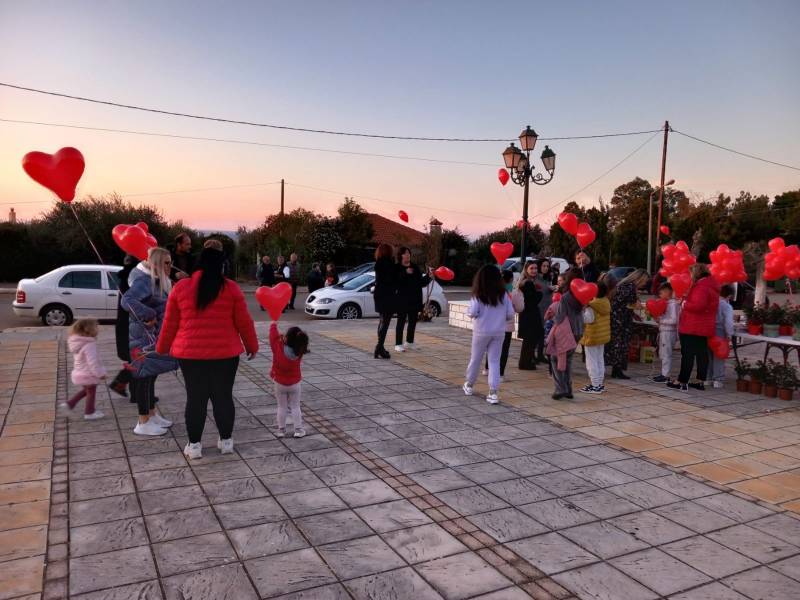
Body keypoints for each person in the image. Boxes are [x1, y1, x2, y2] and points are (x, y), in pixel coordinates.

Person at [157, 246, 258, 459]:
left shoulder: (181, 287)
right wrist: (252, 346)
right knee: (223, 397)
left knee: (195, 398)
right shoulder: (231, 288)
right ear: (221, 265)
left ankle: (194, 446)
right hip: (226, 355)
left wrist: (162, 348)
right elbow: (244, 322)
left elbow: (170, 323)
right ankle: (226, 441)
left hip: (190, 355)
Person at [122, 247, 177, 436]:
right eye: (167, 263)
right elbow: (127, 300)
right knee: (145, 377)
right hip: (143, 338)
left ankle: (152, 415)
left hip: (151, 336)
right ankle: (143, 421)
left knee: (151, 376)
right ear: (156, 264)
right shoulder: (144, 281)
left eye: (170, 262)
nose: (171, 266)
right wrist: (149, 314)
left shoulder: (156, 280)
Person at [463, 265, 515, 405]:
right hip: (499, 332)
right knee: (494, 361)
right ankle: (493, 393)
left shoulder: (478, 294)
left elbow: (472, 312)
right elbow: (510, 314)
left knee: (476, 359)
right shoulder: (504, 294)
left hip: (481, 331)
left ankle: (469, 385)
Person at [667, 264, 720, 392]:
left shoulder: (701, 287)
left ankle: (682, 381)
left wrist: (683, 303)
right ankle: (700, 381)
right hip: (704, 326)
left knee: (688, 354)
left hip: (693, 326)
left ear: (696, 273)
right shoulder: (711, 285)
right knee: (702, 354)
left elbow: (698, 306)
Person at [546, 271, 584, 400]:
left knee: (556, 358)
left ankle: (560, 388)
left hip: (565, 332)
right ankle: (568, 389)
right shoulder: (581, 296)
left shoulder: (566, 297)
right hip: (578, 330)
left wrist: (553, 318)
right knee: (567, 360)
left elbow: (560, 317)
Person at [606, 268, 649, 379]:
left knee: (617, 343)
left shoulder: (624, 285)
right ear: (639, 279)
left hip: (618, 318)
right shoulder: (629, 287)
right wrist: (638, 305)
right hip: (620, 320)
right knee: (620, 344)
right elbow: (628, 303)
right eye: (644, 281)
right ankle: (617, 370)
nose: (644, 284)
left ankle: (616, 369)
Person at [270, 322, 310, 438]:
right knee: (295, 406)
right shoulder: (299, 351)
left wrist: (273, 325)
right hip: (295, 383)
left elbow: (273, 338)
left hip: (279, 383)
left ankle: (281, 430)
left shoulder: (278, 347)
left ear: (287, 338)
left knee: (281, 407)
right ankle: (298, 430)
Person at [61, 318, 106, 419]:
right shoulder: (89, 344)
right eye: (96, 327)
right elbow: (93, 362)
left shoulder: (78, 342)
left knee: (87, 391)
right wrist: (100, 373)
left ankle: (69, 404)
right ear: (89, 330)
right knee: (91, 392)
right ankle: (89, 412)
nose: (98, 329)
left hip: (80, 372)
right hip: (88, 374)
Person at [484, 270, 524, 380]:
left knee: (491, 347)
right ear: (511, 279)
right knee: (503, 349)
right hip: (506, 326)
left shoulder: (491, 291)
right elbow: (520, 308)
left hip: (492, 324)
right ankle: (500, 374)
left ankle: (487, 369)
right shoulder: (513, 293)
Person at [109, 255, 140, 398]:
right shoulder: (133, 280)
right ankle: (134, 393)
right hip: (131, 324)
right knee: (137, 359)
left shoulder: (125, 278)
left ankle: (120, 384)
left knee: (135, 358)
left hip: (124, 324)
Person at [395, 247, 430, 352]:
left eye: (408, 253)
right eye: (405, 253)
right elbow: (395, 282)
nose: (407, 255)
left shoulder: (415, 267)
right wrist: (405, 273)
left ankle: (409, 342)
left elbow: (421, 283)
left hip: (415, 299)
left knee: (412, 322)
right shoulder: (397, 267)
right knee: (401, 322)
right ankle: (398, 344)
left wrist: (429, 277)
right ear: (400, 255)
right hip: (402, 300)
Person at [579, 280, 611, 394]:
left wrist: (582, 312)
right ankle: (599, 383)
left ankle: (595, 384)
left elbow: (588, 319)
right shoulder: (605, 301)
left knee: (591, 361)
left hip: (592, 336)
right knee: (599, 359)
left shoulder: (591, 305)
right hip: (602, 336)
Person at [651, 282, 681, 383]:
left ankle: (665, 375)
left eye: (662, 292)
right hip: (663, 331)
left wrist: (661, 321)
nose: (660, 294)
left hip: (668, 332)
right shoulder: (665, 303)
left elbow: (674, 320)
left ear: (669, 292)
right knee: (663, 353)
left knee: (666, 353)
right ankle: (663, 373)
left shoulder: (673, 304)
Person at [517, 261, 544, 370]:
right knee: (530, 340)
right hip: (530, 315)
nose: (534, 270)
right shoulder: (527, 283)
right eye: (531, 268)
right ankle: (525, 363)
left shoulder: (527, 282)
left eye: (535, 268)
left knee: (529, 340)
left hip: (527, 314)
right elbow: (532, 300)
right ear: (526, 270)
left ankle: (526, 362)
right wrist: (539, 293)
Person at [373, 243, 397, 359]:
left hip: (379, 294)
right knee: (385, 322)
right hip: (387, 295)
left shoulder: (378, 263)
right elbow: (391, 280)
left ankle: (380, 347)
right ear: (388, 251)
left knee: (382, 320)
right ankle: (379, 347)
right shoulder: (389, 263)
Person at [709, 284, 735, 389]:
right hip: (720, 332)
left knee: (709, 356)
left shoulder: (711, 303)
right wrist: (730, 334)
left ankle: (707, 378)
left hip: (708, 331)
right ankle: (718, 380)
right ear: (729, 296)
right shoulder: (726, 306)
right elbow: (728, 322)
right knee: (719, 356)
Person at [534, 259, 555, 363]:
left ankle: (540, 354)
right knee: (536, 332)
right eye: (543, 266)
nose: (546, 268)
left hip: (547, 308)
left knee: (542, 332)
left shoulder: (547, 278)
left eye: (547, 266)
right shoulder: (535, 279)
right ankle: (532, 354)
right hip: (538, 308)